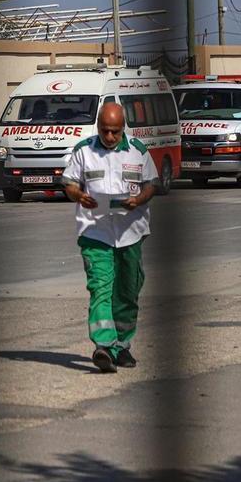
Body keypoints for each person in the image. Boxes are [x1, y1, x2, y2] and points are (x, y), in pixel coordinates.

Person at [61, 102, 158, 374]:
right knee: (100, 288)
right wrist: (79, 195)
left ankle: (121, 346)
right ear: (98, 127)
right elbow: (69, 183)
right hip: (95, 232)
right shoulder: (84, 151)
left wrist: (138, 199)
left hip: (130, 233)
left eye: (115, 131)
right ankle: (103, 345)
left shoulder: (138, 151)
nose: (110, 137)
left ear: (123, 128)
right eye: (105, 131)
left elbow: (152, 184)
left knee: (128, 291)